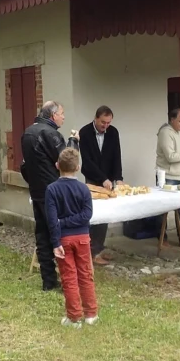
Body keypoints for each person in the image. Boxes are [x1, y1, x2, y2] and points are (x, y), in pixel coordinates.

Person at [46, 148, 99, 327]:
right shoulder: (84, 189)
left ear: (57, 166)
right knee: (86, 274)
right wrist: (70, 222)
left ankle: (74, 317)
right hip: (83, 237)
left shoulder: (51, 190)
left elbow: (52, 221)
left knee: (68, 277)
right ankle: (91, 314)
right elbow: (87, 215)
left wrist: (57, 237)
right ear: (78, 167)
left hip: (64, 240)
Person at [20, 101, 70, 291]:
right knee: (59, 235)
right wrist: (74, 142)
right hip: (53, 191)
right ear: (53, 115)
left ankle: (48, 281)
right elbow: (66, 162)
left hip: (37, 191)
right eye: (62, 113)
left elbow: (24, 166)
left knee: (42, 235)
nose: (64, 117)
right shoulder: (50, 133)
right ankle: (66, 281)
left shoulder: (27, 132)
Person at [79, 105, 123, 265]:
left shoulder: (113, 132)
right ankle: (91, 252)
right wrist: (102, 178)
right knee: (94, 215)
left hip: (108, 180)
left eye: (108, 123)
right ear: (96, 118)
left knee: (105, 216)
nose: (106, 126)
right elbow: (87, 161)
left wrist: (118, 177)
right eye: (103, 122)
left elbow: (117, 156)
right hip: (92, 179)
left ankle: (99, 248)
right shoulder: (84, 133)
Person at [156, 107, 180, 241]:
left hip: (179, 176)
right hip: (167, 177)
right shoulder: (165, 133)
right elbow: (170, 157)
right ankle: (163, 239)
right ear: (172, 120)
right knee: (163, 211)